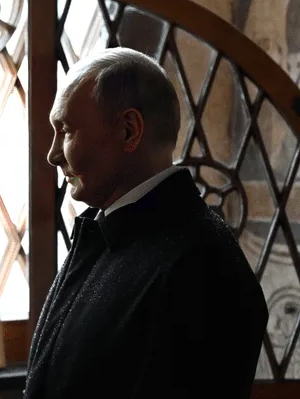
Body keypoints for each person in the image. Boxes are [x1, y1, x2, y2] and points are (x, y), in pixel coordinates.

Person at [24, 47, 268, 399]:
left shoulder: (199, 264)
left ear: (128, 130)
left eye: (66, 131)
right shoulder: (109, 230)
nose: (52, 154)